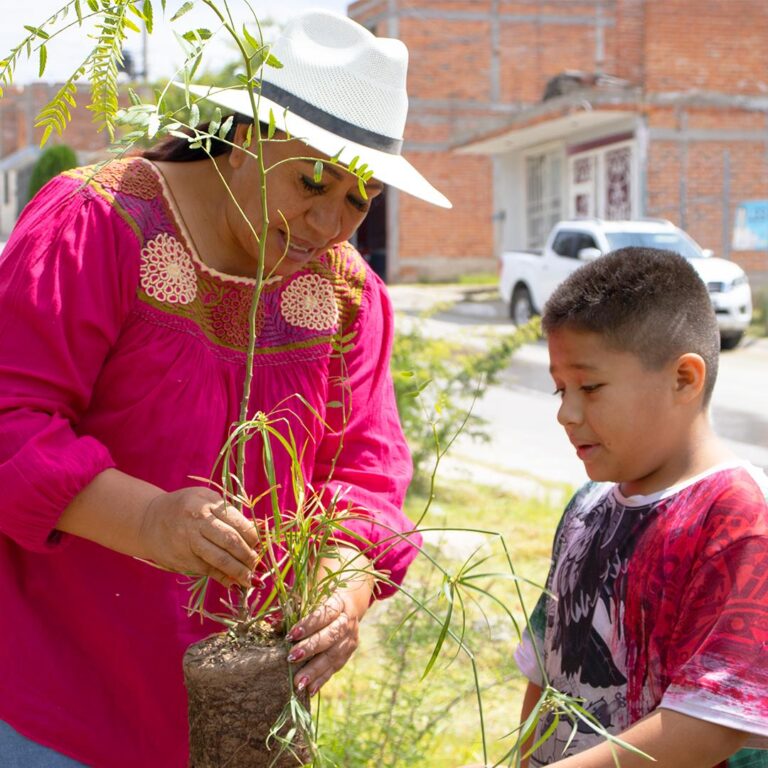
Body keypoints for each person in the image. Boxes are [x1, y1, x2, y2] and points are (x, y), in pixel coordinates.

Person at [0, 10, 450, 768]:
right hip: (62, 706)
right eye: (315, 180)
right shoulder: (97, 223)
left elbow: (368, 477)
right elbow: (12, 421)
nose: (330, 222)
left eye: (359, 197)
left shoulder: (349, 296)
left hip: (252, 722)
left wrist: (343, 592)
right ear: (246, 137)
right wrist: (152, 522)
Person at [464, 247, 768, 768]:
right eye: (560, 388)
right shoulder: (586, 509)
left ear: (684, 379)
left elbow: (706, 729)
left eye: (591, 387)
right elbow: (548, 674)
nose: (566, 412)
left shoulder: (738, 520)